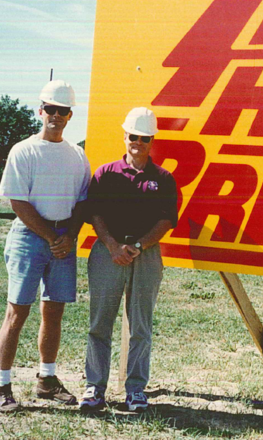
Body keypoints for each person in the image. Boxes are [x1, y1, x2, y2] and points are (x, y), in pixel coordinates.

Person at [0, 80, 91, 413]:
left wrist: (69, 235)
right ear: (41, 110)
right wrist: (51, 237)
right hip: (30, 236)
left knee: (54, 311)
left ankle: (46, 380)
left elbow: (82, 202)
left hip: (63, 238)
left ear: (70, 115)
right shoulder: (24, 150)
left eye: (63, 111)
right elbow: (18, 202)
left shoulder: (77, 155)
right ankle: (2, 385)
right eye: (50, 109)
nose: (56, 115)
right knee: (16, 312)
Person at [79, 107, 177, 412]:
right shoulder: (105, 174)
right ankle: (95, 387)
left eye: (144, 138)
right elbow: (94, 213)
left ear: (152, 140)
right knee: (100, 323)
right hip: (108, 252)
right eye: (133, 136)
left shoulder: (163, 178)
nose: (138, 142)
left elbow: (166, 220)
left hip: (145, 255)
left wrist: (138, 244)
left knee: (141, 326)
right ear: (125, 137)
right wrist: (111, 244)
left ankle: (135, 390)